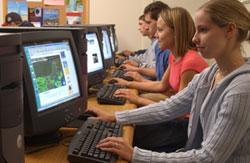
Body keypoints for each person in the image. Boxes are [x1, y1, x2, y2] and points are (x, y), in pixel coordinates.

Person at [88, 0, 250, 162]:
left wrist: (135, 155)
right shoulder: (210, 74)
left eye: (203, 30)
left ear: (229, 30)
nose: (194, 38)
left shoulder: (241, 89)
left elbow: (208, 158)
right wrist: (116, 117)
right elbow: (171, 107)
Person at [114, 7, 208, 106]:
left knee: (133, 106)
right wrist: (127, 84)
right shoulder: (174, 56)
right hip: (176, 109)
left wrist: (137, 100)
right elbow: (161, 85)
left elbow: (178, 110)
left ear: (176, 33)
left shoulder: (190, 62)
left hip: (186, 119)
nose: (155, 35)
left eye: (160, 30)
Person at [119, 1, 170, 80]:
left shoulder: (164, 47)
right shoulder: (158, 44)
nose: (146, 27)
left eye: (148, 22)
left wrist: (137, 68)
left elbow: (157, 74)